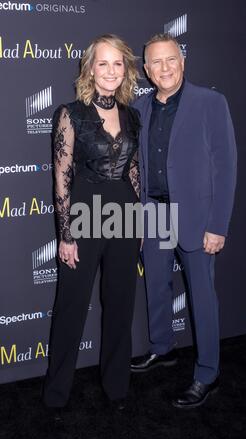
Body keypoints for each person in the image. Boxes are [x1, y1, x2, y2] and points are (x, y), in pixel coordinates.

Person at [131, 33, 237, 408]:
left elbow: (225, 168)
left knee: (202, 298)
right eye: (155, 62)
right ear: (146, 70)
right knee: (156, 285)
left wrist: (218, 225)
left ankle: (208, 373)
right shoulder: (139, 109)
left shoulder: (210, 102)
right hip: (154, 213)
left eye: (170, 59)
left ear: (182, 61)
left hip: (196, 218)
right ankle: (163, 347)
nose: (164, 68)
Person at [43, 34, 141, 412]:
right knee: (71, 306)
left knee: (120, 304)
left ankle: (117, 387)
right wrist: (65, 234)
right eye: (103, 63)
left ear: (126, 69)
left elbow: (133, 169)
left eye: (118, 63)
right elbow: (61, 176)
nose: (111, 70)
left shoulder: (131, 114)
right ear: (90, 68)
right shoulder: (71, 113)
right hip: (84, 211)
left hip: (126, 215)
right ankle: (56, 393)